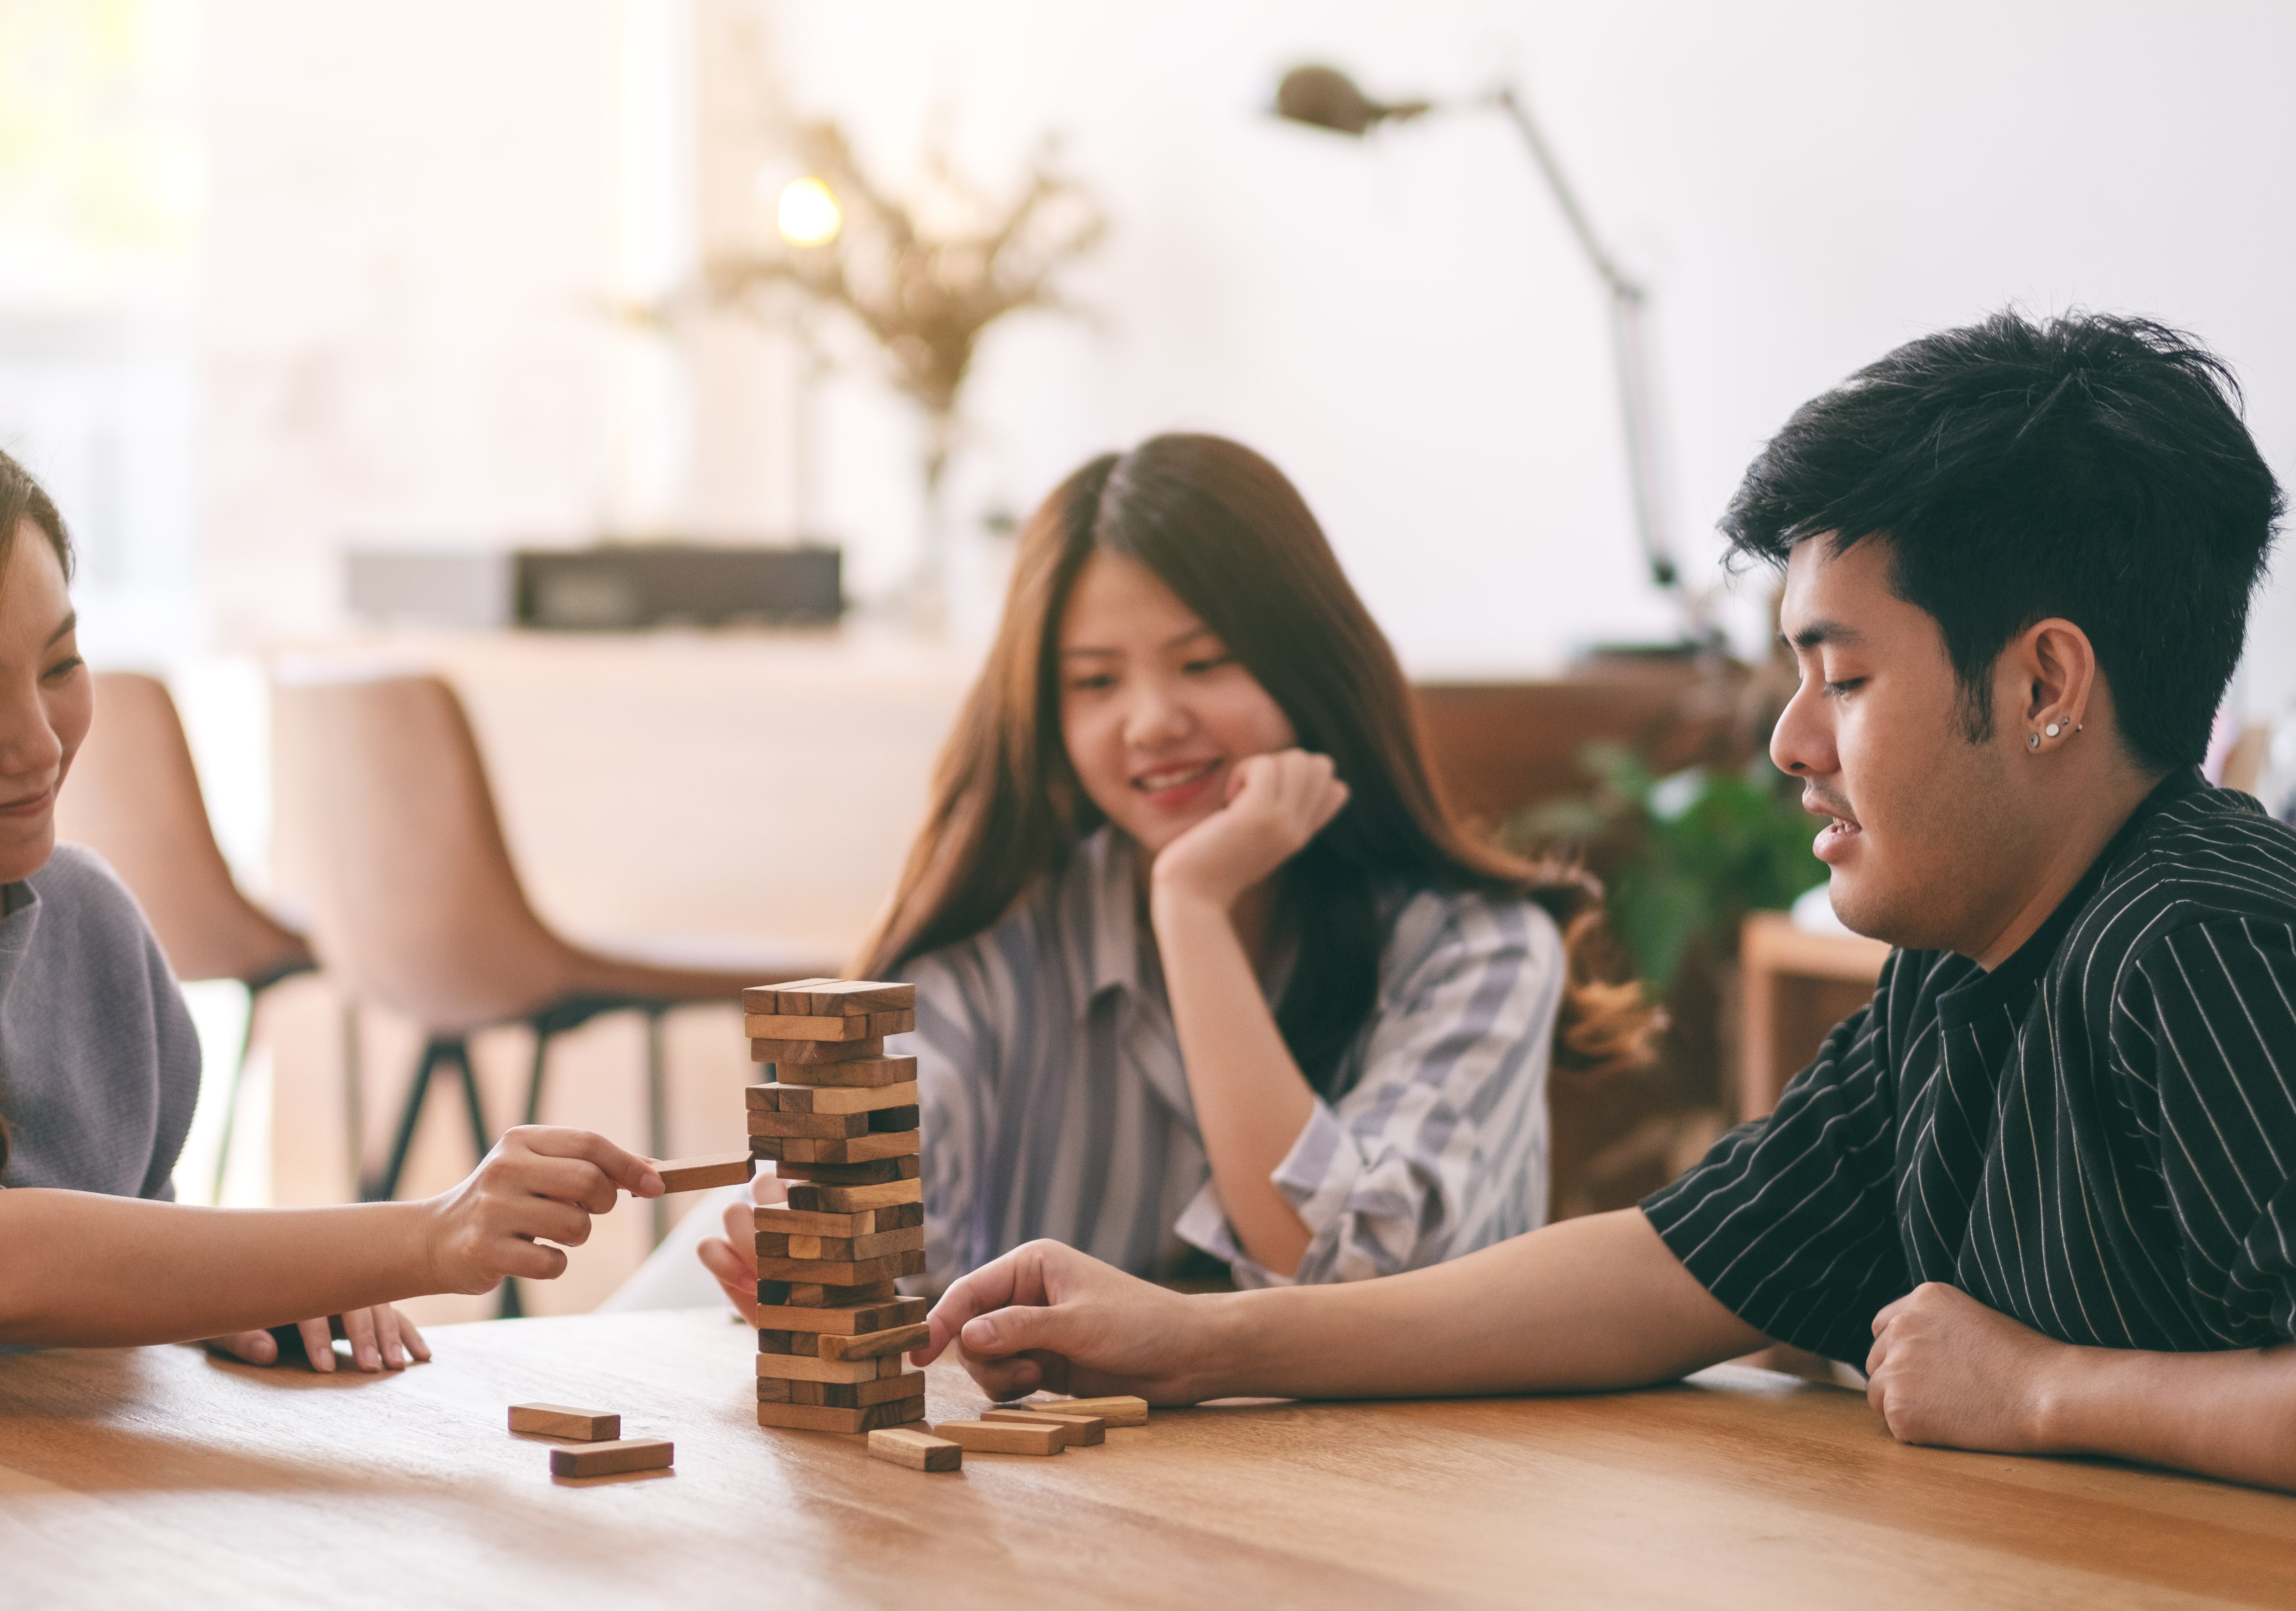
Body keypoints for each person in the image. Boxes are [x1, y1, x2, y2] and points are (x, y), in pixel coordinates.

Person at [917, 312, 2296, 1494]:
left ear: (2043, 685)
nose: (1789, 743)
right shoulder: (1959, 970)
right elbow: (1661, 1270)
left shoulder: (2199, 939)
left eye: (1846, 677)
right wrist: (1189, 1338)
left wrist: (2042, 1391)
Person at [0, 398, 662, 1381]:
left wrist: (219, 1301)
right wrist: (428, 1234)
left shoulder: (89, 927)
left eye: (59, 665)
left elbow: (107, 1265)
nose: (40, 744)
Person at [675, 434, 1653, 1314]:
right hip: (1073, 1503)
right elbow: (873, 1229)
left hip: (1408, 1490)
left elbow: (1339, 1275)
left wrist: (1193, 907)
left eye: (1206, 662)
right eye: (1094, 681)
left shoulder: (1480, 948)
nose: (1149, 720)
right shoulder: (999, 939)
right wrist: (809, 1245)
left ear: (1309, 667)